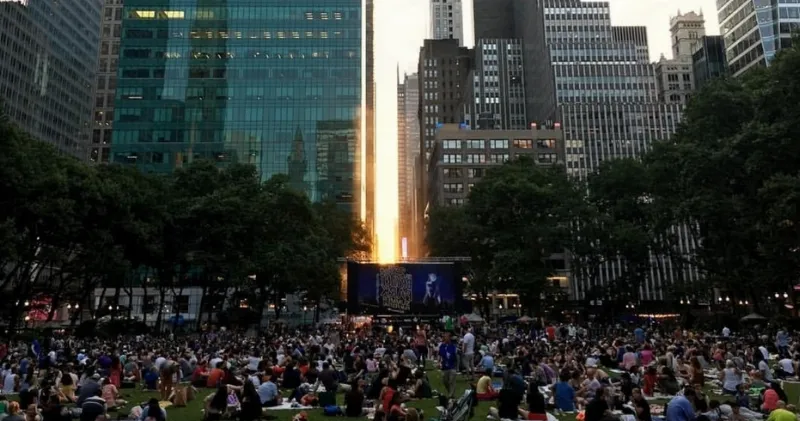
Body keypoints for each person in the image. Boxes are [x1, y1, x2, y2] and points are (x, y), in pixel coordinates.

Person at [439, 332, 457, 399]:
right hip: (445, 366)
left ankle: (451, 395)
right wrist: (439, 362)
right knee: (445, 381)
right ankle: (450, 393)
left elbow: (455, 356)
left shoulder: (453, 346)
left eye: (446, 336)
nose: (444, 338)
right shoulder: (442, 346)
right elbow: (440, 354)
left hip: (452, 366)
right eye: (444, 336)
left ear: (449, 337)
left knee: (451, 381)